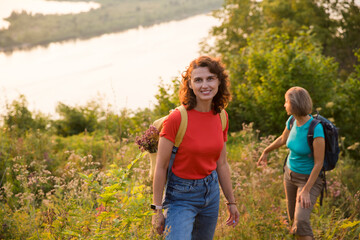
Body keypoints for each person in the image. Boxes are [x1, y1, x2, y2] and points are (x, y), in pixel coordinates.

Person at [151, 56, 240, 239]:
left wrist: (231, 202)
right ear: (190, 84)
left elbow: (221, 163)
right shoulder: (177, 118)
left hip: (211, 193)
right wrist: (157, 210)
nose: (204, 85)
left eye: (210, 78)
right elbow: (160, 167)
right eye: (198, 80)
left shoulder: (221, 116)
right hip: (180, 197)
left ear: (219, 81)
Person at [257, 86, 325, 240]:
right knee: (293, 222)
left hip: (308, 180)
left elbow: (318, 164)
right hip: (289, 176)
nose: (284, 105)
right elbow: (283, 139)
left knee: (301, 221)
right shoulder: (292, 120)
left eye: (286, 102)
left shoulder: (316, 129)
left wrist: (306, 190)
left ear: (294, 104)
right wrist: (266, 151)